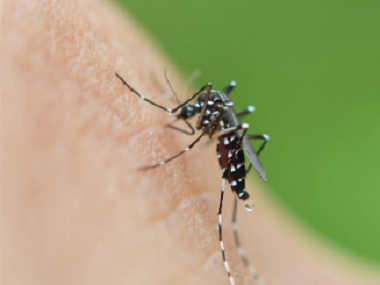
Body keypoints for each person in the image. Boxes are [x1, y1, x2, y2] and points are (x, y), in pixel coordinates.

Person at [2, 0, 379, 284]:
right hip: (230, 137)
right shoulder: (210, 105)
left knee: (227, 163)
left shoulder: (216, 117)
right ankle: (237, 247)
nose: (194, 111)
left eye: (195, 108)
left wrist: (177, 150)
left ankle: (229, 246)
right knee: (230, 127)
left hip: (232, 147)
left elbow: (217, 122)